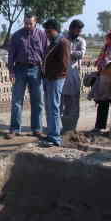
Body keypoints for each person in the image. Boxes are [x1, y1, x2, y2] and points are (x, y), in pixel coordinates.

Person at [6, 14, 48, 139]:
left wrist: (45, 70)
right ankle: (14, 129)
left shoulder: (42, 35)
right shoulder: (17, 35)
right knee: (17, 101)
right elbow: (11, 54)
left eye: (30, 23)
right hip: (19, 69)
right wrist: (11, 71)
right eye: (26, 23)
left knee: (38, 101)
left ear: (35, 22)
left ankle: (37, 129)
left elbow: (46, 53)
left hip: (36, 69)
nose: (28, 26)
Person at [41, 19, 71, 147]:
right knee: (49, 107)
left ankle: (55, 137)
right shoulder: (53, 42)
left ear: (56, 30)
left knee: (53, 107)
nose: (47, 34)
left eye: (49, 31)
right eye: (45, 32)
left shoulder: (62, 43)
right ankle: (52, 133)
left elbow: (64, 65)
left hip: (56, 79)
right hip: (49, 78)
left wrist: (53, 76)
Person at [61, 19, 86, 133]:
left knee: (73, 102)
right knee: (60, 102)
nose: (78, 33)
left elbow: (81, 54)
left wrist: (69, 53)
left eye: (80, 31)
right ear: (71, 28)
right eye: (77, 30)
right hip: (61, 74)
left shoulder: (81, 41)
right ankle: (60, 127)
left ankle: (71, 127)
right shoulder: (62, 38)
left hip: (73, 75)